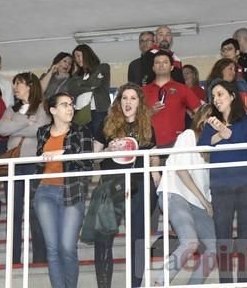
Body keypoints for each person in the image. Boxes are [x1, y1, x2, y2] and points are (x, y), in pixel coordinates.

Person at [92, 83, 160, 288]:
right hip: (112, 185)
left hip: (139, 184)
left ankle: (135, 285)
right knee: (103, 238)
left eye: (133, 98)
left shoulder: (147, 125)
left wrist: (155, 174)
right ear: (118, 101)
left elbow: (154, 155)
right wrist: (107, 152)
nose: (128, 102)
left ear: (139, 103)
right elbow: (93, 157)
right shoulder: (106, 124)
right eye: (124, 98)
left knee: (137, 238)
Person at [199, 80, 247, 283]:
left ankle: (243, 282)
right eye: (213, 96)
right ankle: (226, 282)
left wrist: (226, 134)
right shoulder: (210, 124)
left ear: (232, 96)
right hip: (221, 184)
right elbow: (202, 148)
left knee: (245, 235)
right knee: (222, 236)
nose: (216, 100)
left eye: (220, 94)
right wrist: (218, 133)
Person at [33, 92, 93, 288]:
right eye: (65, 104)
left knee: (67, 247)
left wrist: (62, 153)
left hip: (72, 191)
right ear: (53, 110)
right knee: (52, 248)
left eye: (71, 104)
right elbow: (39, 161)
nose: (70, 108)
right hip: (45, 192)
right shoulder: (42, 132)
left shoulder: (81, 131)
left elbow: (87, 161)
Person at [155, 105, 216, 286]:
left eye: (215, 119)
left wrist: (206, 201)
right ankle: (159, 283)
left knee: (215, 247)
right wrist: (205, 202)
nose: (211, 121)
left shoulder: (213, 146)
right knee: (190, 242)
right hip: (176, 192)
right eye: (208, 117)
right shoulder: (188, 135)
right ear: (200, 117)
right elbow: (181, 171)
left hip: (198, 201)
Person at [0, 72, 50, 264]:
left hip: (33, 164)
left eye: (18, 83)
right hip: (13, 166)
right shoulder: (12, 109)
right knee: (13, 212)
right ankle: (13, 260)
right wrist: (24, 121)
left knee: (35, 211)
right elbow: (1, 129)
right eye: (14, 84)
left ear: (29, 85)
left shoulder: (42, 106)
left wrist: (17, 125)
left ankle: (40, 258)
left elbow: (40, 130)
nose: (14, 87)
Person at [142, 50, 200, 148]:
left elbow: (200, 112)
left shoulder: (182, 88)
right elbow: (133, 118)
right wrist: (150, 112)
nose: (161, 65)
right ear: (153, 68)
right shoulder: (142, 91)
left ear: (172, 67)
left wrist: (195, 135)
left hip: (177, 144)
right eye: (157, 63)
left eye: (165, 62)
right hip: (149, 145)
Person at [68, 44, 111, 136]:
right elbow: (71, 89)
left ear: (87, 54)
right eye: (75, 57)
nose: (77, 59)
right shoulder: (77, 75)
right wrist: (89, 87)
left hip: (98, 110)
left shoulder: (103, 67)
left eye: (79, 55)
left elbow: (95, 83)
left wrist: (81, 85)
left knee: (98, 139)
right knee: (82, 141)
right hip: (79, 112)